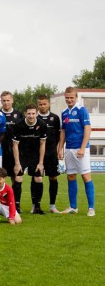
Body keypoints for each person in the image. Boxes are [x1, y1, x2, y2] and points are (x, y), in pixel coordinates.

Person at [57, 87, 95, 217]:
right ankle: (73, 207)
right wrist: (60, 148)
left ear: (76, 97)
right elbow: (63, 131)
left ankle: (91, 208)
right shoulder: (64, 112)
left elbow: (87, 129)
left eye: (71, 97)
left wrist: (83, 148)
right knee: (71, 176)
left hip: (81, 148)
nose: (69, 100)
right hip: (69, 149)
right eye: (67, 97)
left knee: (85, 176)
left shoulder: (82, 110)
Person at [12, 104, 47, 214]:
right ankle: (16, 206)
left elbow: (42, 144)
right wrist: (17, 163)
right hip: (22, 155)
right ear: (25, 114)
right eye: (29, 113)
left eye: (33, 113)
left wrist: (41, 163)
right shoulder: (19, 125)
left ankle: (37, 206)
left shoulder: (42, 124)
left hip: (35, 156)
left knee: (38, 179)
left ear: (36, 113)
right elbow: (15, 145)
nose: (31, 116)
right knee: (18, 178)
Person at [37, 94, 62, 213]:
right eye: (40, 104)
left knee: (53, 177)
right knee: (37, 178)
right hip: (37, 154)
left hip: (51, 153)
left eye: (44, 104)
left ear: (49, 104)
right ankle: (36, 205)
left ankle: (52, 206)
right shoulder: (34, 117)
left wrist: (57, 149)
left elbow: (58, 136)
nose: (42, 106)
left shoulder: (55, 118)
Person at [0, 91, 23, 187]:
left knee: (16, 176)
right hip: (1, 150)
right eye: (4, 100)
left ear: (12, 100)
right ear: (1, 101)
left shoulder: (19, 114)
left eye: (8, 100)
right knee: (0, 176)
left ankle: (15, 201)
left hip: (15, 150)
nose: (6, 102)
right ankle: (1, 199)